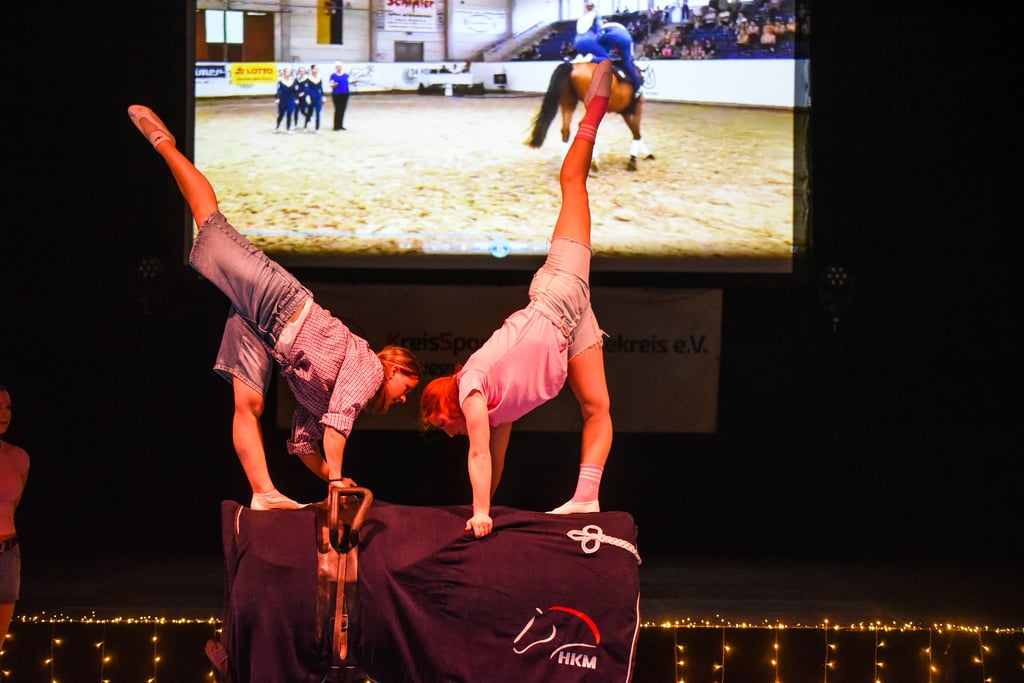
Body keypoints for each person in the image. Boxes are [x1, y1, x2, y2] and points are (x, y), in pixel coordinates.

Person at [127, 105, 423, 507]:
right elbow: (337, 426)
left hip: (265, 332)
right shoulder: (370, 369)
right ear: (396, 369)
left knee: (249, 404)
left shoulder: (328, 397)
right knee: (207, 217)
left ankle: (263, 493)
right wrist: (336, 480)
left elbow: (303, 443)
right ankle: (163, 143)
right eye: (408, 388)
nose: (403, 398)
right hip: (279, 302)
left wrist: (333, 477)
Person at [418, 60, 615, 539]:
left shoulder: (472, 388)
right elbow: (495, 455)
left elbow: (478, 453)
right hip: (569, 320)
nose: (446, 431)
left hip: (556, 293)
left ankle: (596, 109)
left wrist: (480, 514)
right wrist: (484, 509)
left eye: (439, 423)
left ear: (444, 401)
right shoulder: (493, 408)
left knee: (572, 183)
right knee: (597, 407)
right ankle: (586, 497)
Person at [0, 384, 29, 644]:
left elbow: (13, 505)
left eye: (7, 407)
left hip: (8, 552)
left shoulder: (18, 457)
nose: (4, 413)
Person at [598, 21, 643, 97]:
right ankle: (637, 87)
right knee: (627, 63)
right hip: (624, 39)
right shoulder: (617, 25)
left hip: (611, 39)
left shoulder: (602, 27)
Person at [302, 64, 325, 133]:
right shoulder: (308, 78)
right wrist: (307, 96)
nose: (317, 70)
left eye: (318, 69)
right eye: (315, 69)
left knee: (318, 112)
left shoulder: (319, 78)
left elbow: (321, 88)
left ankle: (317, 128)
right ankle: (305, 126)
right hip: (311, 96)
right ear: (312, 69)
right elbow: (306, 88)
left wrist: (323, 96)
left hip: (318, 96)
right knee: (310, 112)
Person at [275, 67, 297, 134]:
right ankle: (277, 127)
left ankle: (288, 129)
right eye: (287, 72)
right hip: (283, 99)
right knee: (281, 115)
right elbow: (278, 91)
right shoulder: (280, 81)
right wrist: (277, 98)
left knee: (289, 114)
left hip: (290, 99)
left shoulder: (293, 81)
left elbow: (295, 91)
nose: (288, 73)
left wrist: (296, 98)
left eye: (289, 72)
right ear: (284, 73)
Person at [329, 61, 350, 131]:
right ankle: (336, 126)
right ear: (335, 68)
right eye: (337, 67)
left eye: (340, 66)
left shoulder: (346, 75)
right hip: (337, 94)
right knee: (338, 109)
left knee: (343, 109)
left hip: (345, 94)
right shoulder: (333, 76)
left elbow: (349, 82)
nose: (339, 68)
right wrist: (334, 85)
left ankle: (340, 125)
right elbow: (331, 85)